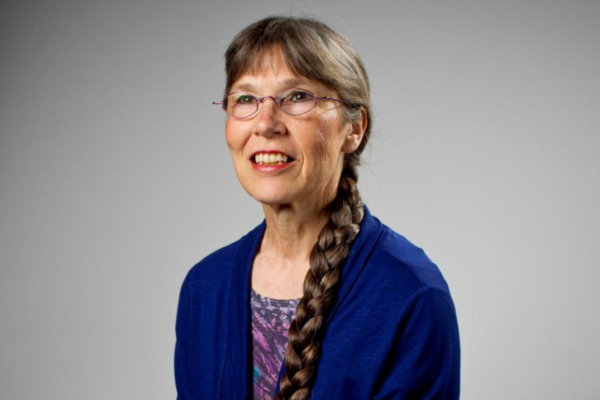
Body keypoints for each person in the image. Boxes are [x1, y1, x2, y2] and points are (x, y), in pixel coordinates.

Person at [174, 16, 460, 400]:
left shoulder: (412, 295)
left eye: (297, 97)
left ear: (354, 128)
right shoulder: (204, 287)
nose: (265, 123)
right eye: (245, 99)